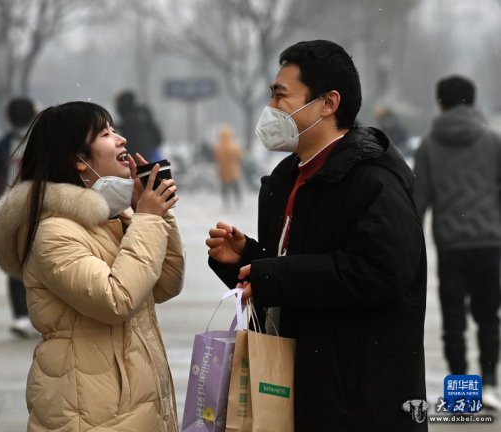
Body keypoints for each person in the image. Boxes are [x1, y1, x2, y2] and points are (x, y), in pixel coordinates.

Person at [205, 40, 427, 431]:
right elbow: (302, 263)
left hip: (358, 399)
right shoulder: (287, 178)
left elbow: (378, 273)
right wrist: (248, 260)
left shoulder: (373, 181)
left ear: (328, 103)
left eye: (281, 95)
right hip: (299, 388)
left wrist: (271, 275)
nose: (271, 108)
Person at [0, 101, 184, 431]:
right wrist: (149, 219)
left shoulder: (114, 218)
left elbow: (165, 284)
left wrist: (152, 214)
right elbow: (116, 299)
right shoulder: (53, 231)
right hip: (88, 413)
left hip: (127, 404)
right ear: (79, 161)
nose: (121, 139)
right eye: (106, 134)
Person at [414, 75, 501, 410]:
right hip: (488, 243)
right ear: (473, 101)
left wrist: (413, 246)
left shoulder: (428, 145)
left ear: (440, 103)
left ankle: (462, 389)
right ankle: (490, 383)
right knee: (488, 315)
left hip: (450, 244)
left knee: (454, 318)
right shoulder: (493, 142)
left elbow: (418, 201)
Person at [0, 97, 37, 337]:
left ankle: (23, 316)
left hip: (20, 207)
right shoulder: (45, 141)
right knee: (24, 262)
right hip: (30, 208)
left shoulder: (4, 145)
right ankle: (24, 316)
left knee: (19, 262)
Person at [115, 90, 163, 161]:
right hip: (148, 158)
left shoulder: (128, 121)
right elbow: (158, 138)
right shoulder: (143, 115)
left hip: (135, 161)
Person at [213, 125, 243, 208]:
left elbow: (216, 157)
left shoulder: (218, 147)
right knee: (235, 187)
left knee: (224, 188)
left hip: (222, 171)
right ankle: (238, 200)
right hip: (233, 171)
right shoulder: (234, 146)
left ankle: (226, 202)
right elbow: (239, 156)